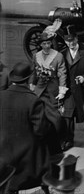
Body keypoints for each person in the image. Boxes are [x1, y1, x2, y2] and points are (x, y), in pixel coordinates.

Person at [0, 62, 51, 194]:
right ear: (29, 78)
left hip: (3, 154)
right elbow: (41, 131)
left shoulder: (1, 96)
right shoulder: (33, 100)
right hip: (27, 159)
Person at [60, 32, 84, 151]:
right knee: (68, 114)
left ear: (77, 39)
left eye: (72, 41)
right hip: (69, 89)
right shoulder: (62, 54)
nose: (70, 44)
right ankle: (69, 140)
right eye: (68, 41)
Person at [31, 32, 67, 154]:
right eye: (44, 43)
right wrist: (32, 84)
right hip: (39, 91)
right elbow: (34, 72)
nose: (46, 45)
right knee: (40, 116)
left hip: (53, 90)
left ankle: (60, 141)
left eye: (48, 43)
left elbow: (62, 73)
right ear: (40, 44)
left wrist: (62, 90)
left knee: (56, 118)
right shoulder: (36, 56)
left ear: (51, 43)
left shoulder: (58, 56)